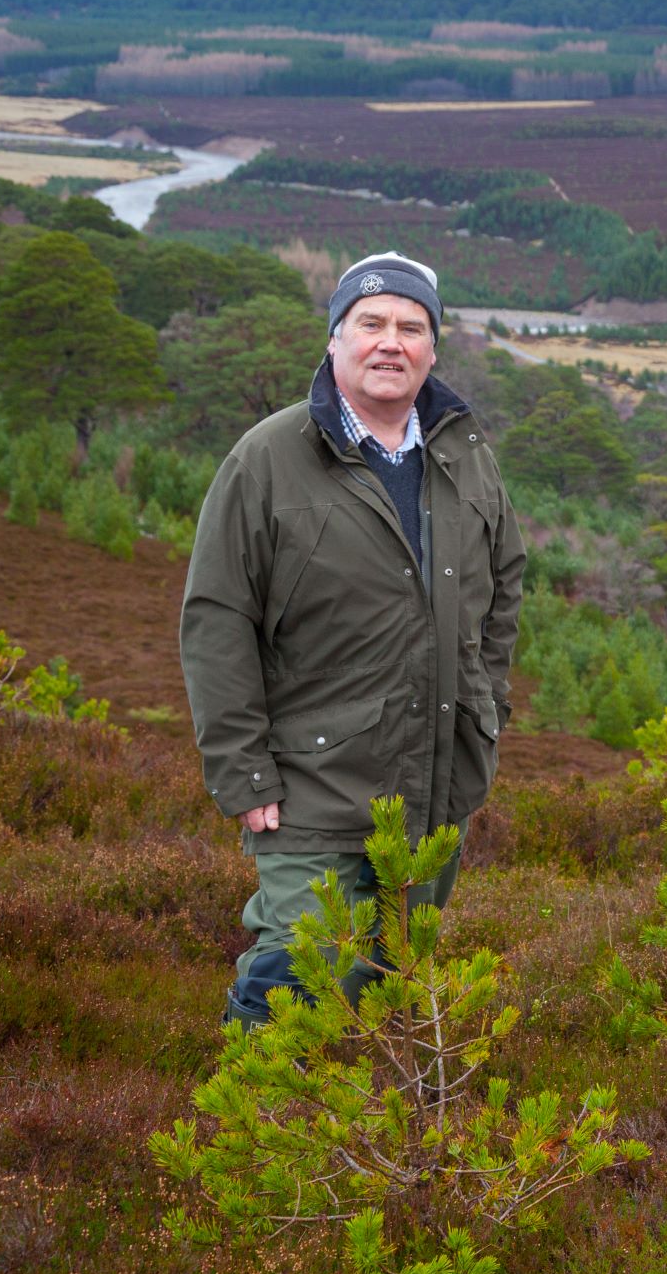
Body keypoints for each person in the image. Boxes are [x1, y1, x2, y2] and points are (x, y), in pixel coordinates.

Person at [180, 251, 525, 1028]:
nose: (390, 342)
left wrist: (483, 711)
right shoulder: (268, 457)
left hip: (436, 788)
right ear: (336, 339)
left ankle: (369, 1145)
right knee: (294, 973)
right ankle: (258, 1134)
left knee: (396, 982)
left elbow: (503, 586)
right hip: (312, 785)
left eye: (411, 326)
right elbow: (216, 616)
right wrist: (241, 769)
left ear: (433, 349)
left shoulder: (465, 456)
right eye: (370, 323)